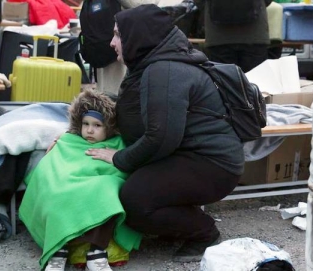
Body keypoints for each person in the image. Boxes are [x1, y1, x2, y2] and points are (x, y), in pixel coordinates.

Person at [85, 4, 244, 262]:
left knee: (134, 200)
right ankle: (176, 220)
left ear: (137, 35)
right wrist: (76, 126)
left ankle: (204, 233)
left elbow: (161, 138)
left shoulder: (165, 71)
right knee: (140, 187)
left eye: (117, 34)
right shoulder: (153, 63)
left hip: (212, 165)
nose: (112, 42)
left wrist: (118, 157)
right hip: (188, 156)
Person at [19, 90, 142, 271]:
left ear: (109, 126)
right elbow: (49, 169)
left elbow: (123, 171)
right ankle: (57, 251)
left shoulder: (118, 143)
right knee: (54, 192)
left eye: (97, 125)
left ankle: (96, 252)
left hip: (99, 184)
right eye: (85, 124)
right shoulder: (68, 140)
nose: (90, 130)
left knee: (107, 192)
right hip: (66, 183)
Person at [194, 0, 272, 72]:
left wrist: (210, 9)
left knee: (224, 82)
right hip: (254, 32)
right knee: (256, 80)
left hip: (218, 35)